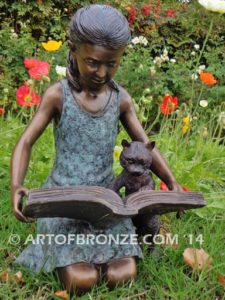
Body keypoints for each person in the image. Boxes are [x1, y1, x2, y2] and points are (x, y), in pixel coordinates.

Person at [11, 4, 181, 294]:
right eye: (93, 62)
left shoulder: (120, 99)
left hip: (107, 201)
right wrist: (17, 184)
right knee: (82, 279)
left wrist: (172, 182)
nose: (102, 72)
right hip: (65, 199)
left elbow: (146, 146)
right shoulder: (58, 95)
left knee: (122, 273)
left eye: (112, 63)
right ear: (73, 49)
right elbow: (26, 141)